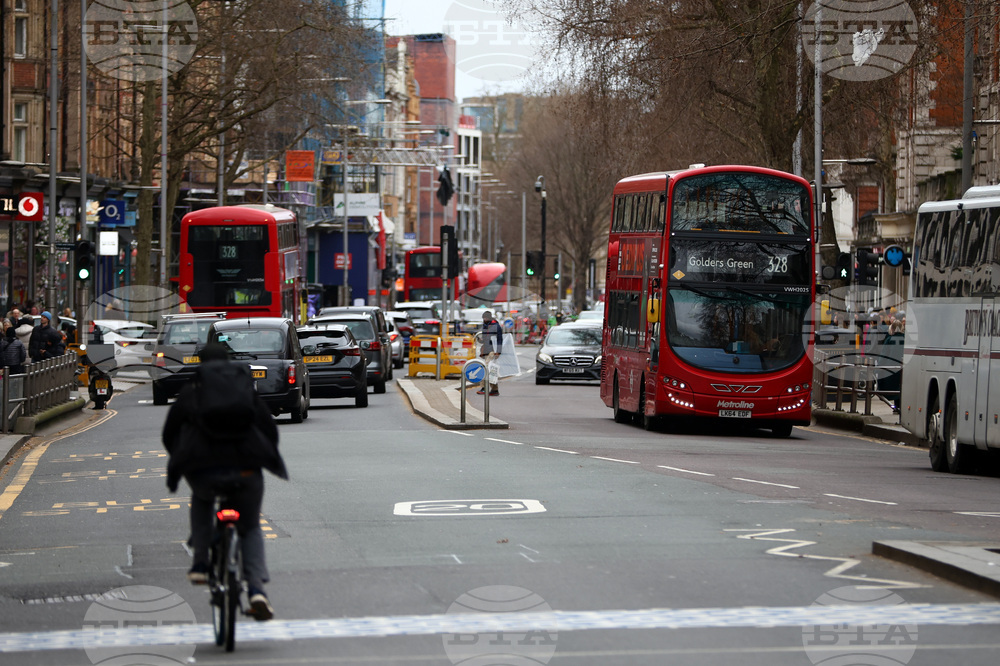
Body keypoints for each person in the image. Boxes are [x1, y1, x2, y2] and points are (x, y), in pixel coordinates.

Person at [162, 343, 287, 621]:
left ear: (201, 365)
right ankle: (256, 590)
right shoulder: (244, 391)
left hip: (203, 470)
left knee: (202, 500)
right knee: (250, 526)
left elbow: (169, 434)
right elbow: (269, 431)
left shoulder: (192, 392)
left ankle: (201, 563)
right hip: (245, 471)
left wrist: (183, 460)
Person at [478, 310, 503, 396]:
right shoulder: (485, 325)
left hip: (493, 350)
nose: (484, 319)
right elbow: (485, 338)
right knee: (492, 371)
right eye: (483, 318)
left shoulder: (496, 326)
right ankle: (494, 389)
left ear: (489, 318)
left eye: (485, 318)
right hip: (486, 350)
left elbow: (500, 339)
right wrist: (480, 340)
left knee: (486, 368)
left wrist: (498, 352)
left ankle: (484, 388)